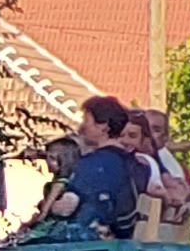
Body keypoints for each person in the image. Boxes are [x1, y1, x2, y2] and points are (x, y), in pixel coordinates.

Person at [44, 96, 143, 235]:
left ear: (103, 126)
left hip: (90, 243)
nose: (82, 126)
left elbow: (67, 207)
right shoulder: (138, 164)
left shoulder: (92, 164)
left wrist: (50, 208)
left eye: (86, 120)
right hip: (125, 238)